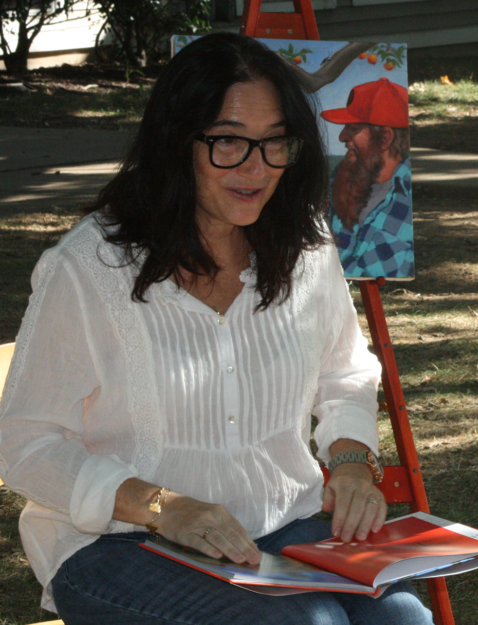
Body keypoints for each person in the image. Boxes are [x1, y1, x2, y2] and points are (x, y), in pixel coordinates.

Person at [0, 32, 432, 625]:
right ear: (177, 142)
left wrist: (354, 462)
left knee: (403, 618)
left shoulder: (303, 243)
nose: (256, 168)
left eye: (275, 142)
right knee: (301, 624)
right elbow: (25, 444)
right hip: (121, 543)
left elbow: (344, 368)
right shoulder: (89, 269)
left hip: (280, 525)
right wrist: (161, 506)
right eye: (228, 141)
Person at [322, 77, 414, 278]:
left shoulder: (409, 195)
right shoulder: (339, 178)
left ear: (385, 138)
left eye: (354, 129)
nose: (342, 136)